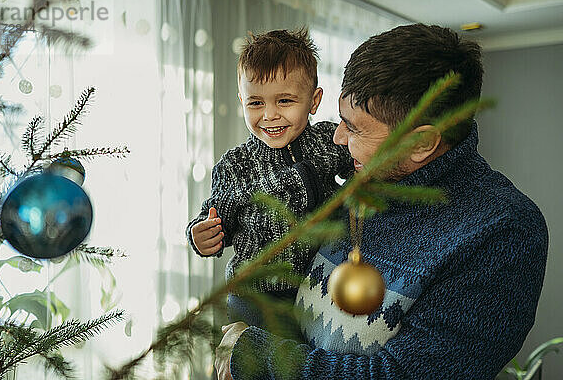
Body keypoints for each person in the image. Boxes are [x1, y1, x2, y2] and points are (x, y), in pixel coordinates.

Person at [216, 24, 549, 380]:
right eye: (341, 120)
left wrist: (256, 354)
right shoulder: (361, 187)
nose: (338, 138)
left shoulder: (503, 231)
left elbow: (402, 375)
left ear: (421, 144)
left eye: (356, 129)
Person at [186, 28, 352, 329]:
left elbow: (362, 172)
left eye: (285, 101)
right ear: (242, 101)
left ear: (313, 101)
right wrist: (200, 235)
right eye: (256, 103)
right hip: (255, 297)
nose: (270, 115)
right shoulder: (236, 165)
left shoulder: (329, 140)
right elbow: (213, 215)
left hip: (322, 284)